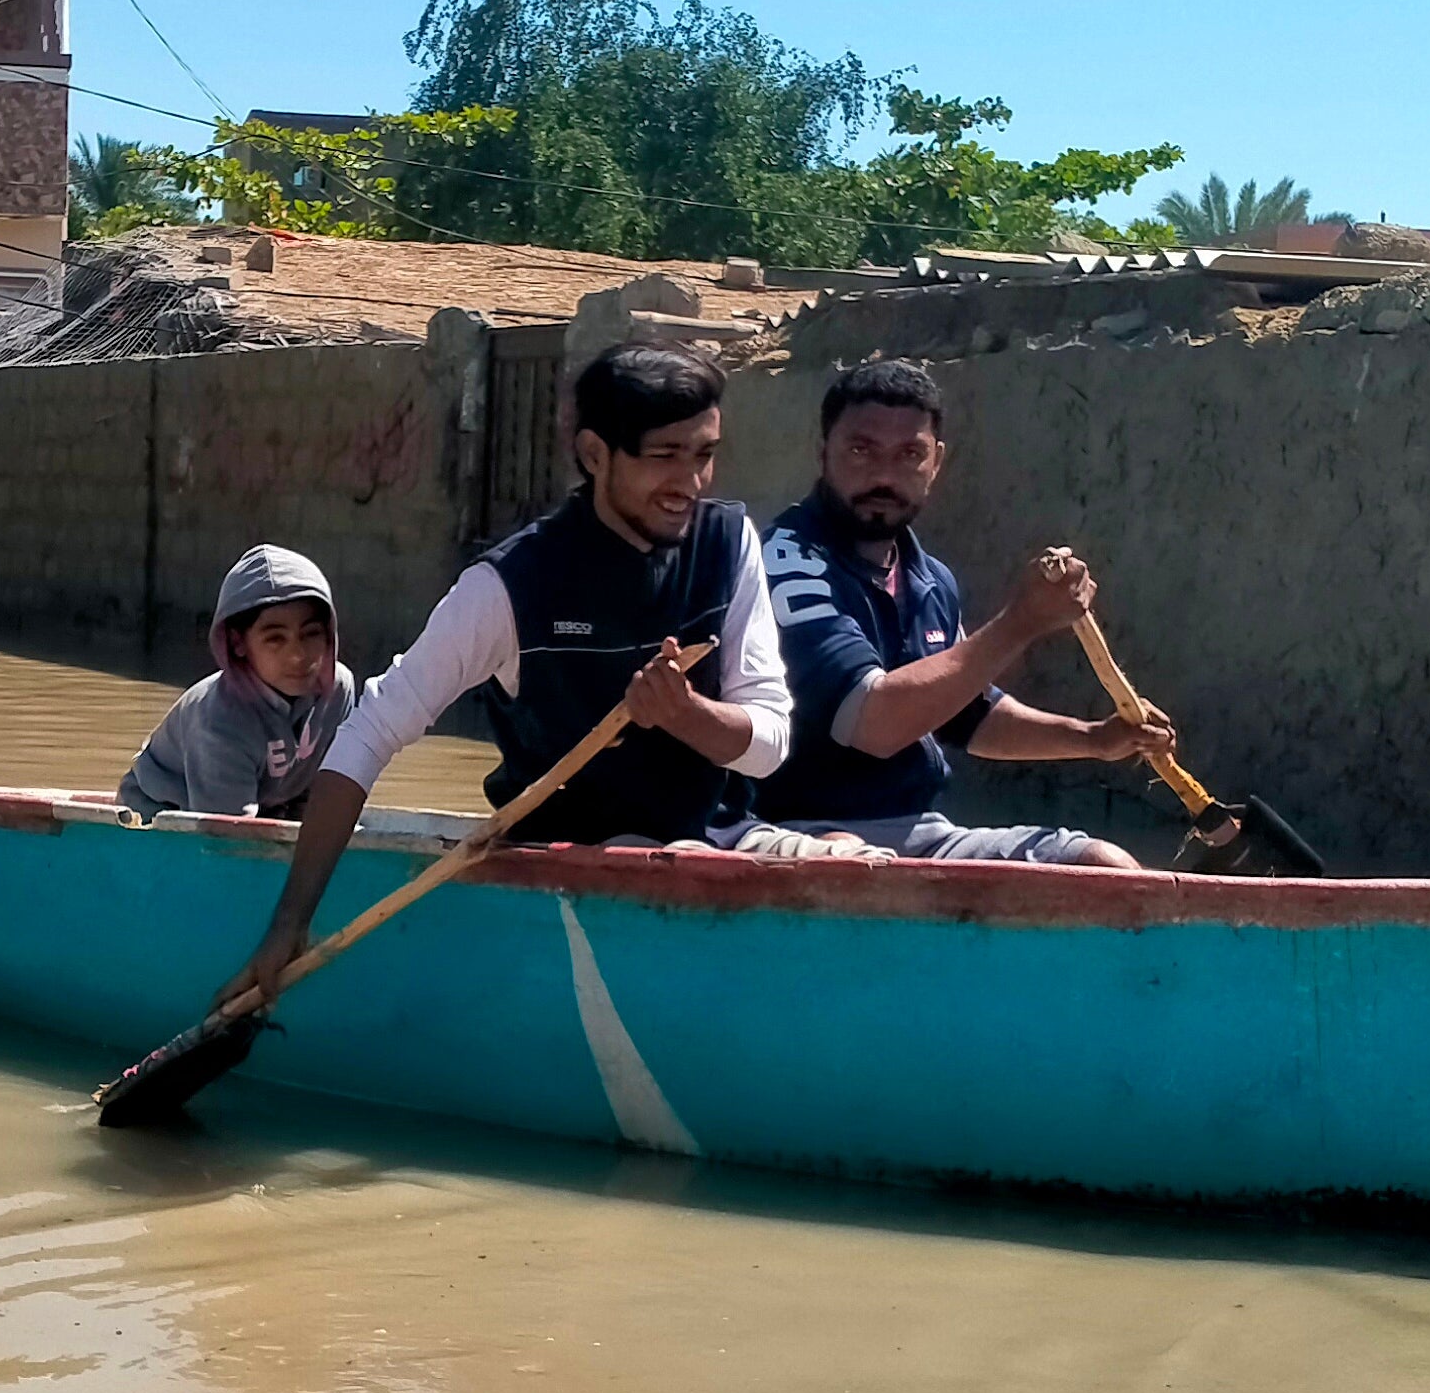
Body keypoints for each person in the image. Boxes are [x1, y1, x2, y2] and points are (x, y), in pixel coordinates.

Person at [220, 341, 790, 1001]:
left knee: (849, 852)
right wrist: (290, 923)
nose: (689, 484)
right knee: (687, 867)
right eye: (663, 457)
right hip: (579, 856)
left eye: (704, 455)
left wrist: (686, 715)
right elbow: (366, 736)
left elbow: (768, 748)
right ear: (595, 455)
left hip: (723, 839)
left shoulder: (729, 544)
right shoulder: (508, 587)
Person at [756, 357, 1176, 867]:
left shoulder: (929, 578)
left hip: (915, 829)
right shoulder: (788, 564)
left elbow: (964, 712)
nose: (885, 475)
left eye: (910, 453)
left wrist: (1095, 739)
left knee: (1106, 868)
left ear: (937, 462)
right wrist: (1020, 623)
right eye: (862, 450)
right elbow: (873, 724)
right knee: (849, 865)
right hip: (796, 833)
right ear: (823, 453)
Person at [118, 544, 357, 820]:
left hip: (265, 804)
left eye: (311, 634)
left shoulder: (338, 693)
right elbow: (226, 836)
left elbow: (321, 788)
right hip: (163, 811)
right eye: (275, 638)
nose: (298, 655)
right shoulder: (220, 721)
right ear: (238, 643)